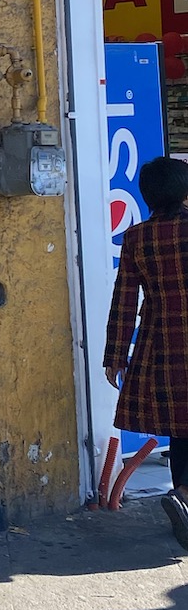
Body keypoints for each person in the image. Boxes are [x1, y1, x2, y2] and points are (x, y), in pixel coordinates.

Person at [105, 152, 188, 550]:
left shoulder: (137, 238)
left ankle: (183, 493)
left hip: (164, 346)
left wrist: (115, 355)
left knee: (180, 426)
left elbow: (123, 302)